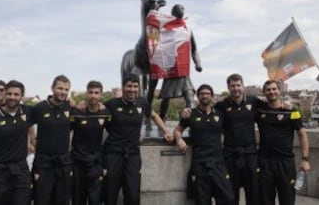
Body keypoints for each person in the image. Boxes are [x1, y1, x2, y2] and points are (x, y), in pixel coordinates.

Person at [102, 73, 173, 205]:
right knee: (110, 193)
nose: (132, 89)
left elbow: (154, 116)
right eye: (129, 86)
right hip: (113, 153)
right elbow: (95, 110)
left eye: (135, 86)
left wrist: (166, 131)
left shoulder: (142, 102)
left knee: (133, 195)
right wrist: (81, 103)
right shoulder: (111, 104)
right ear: (123, 87)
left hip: (133, 153)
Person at [174, 84, 234, 205]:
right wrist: (179, 140)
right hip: (199, 164)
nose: (204, 96)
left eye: (207, 94)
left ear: (212, 96)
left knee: (228, 199)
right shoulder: (191, 114)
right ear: (198, 96)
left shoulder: (220, 114)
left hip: (218, 163)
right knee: (202, 201)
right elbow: (178, 130)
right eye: (202, 94)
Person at [256, 80, 311, 205]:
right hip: (265, 162)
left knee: (287, 200)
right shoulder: (260, 111)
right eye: (268, 90)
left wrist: (305, 159)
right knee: (265, 200)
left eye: (274, 89)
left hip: (285, 163)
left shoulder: (292, 111)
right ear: (264, 93)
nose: (272, 92)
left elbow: (302, 134)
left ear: (279, 91)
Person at [213, 74, 262, 205]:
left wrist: (287, 106)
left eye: (238, 85)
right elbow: (208, 119)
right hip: (230, 155)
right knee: (230, 195)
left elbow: (272, 107)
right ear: (228, 87)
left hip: (250, 155)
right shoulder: (221, 106)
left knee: (253, 194)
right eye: (232, 86)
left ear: (243, 86)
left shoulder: (254, 101)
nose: (236, 88)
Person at [31, 74, 74, 205]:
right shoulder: (40, 108)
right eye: (60, 88)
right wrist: (32, 138)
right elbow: (26, 123)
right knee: (42, 200)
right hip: (43, 163)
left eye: (66, 89)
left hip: (63, 162)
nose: (63, 92)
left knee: (62, 200)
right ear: (52, 88)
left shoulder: (70, 108)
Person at [155, 4, 202, 121]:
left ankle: (192, 123)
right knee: (166, 99)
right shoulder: (165, 30)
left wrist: (198, 63)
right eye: (177, 8)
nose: (180, 9)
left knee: (190, 99)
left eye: (182, 8)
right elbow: (157, 46)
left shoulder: (188, 30)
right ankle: (162, 119)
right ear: (172, 13)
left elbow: (194, 49)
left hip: (184, 72)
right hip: (170, 70)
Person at [71, 80, 110, 205]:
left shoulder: (106, 113)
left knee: (95, 200)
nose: (93, 95)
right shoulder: (77, 112)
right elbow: (63, 129)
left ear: (101, 95)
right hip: (77, 162)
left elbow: (116, 130)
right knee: (78, 199)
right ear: (86, 93)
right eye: (90, 92)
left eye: (96, 93)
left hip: (95, 163)